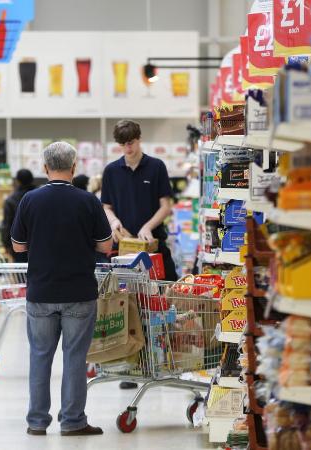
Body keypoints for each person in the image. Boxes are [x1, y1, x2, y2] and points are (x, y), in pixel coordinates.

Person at [11, 142, 112, 436]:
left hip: (41, 292)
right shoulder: (88, 201)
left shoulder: (30, 200)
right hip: (79, 292)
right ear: (74, 167)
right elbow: (105, 245)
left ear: (45, 168)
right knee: (75, 358)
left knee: (40, 357)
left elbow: (18, 246)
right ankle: (72, 421)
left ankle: (36, 422)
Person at [101, 120, 177, 390]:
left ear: (139, 139)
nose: (128, 148)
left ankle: (163, 360)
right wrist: (113, 221)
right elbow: (106, 206)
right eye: (123, 144)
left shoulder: (156, 167)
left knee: (160, 301)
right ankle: (131, 365)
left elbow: (165, 206)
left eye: (131, 143)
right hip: (124, 250)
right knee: (129, 306)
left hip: (153, 246)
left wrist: (148, 226)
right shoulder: (111, 171)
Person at [1, 169, 35, 262]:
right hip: (38, 243)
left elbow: (7, 224)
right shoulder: (40, 197)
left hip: (18, 244)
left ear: (17, 181)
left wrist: (6, 244)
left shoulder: (11, 200)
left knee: (21, 269)